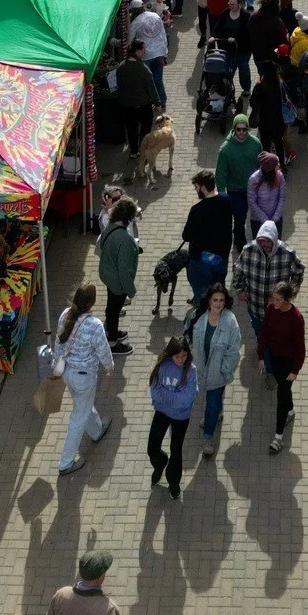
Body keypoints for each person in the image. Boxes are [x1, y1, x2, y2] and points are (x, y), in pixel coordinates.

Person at [55, 285, 115, 476]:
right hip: (84, 376)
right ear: (91, 303)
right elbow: (103, 350)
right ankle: (65, 463)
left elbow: (58, 342)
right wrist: (109, 367)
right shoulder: (95, 325)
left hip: (67, 372)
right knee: (77, 418)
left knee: (83, 405)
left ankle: (96, 430)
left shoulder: (65, 314)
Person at [188, 283, 242, 457]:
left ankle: (208, 438)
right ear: (209, 301)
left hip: (218, 374)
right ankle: (217, 414)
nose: (218, 304)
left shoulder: (230, 321)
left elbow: (234, 351)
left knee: (210, 403)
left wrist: (223, 370)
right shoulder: (199, 317)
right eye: (215, 300)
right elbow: (189, 338)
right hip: (202, 370)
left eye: (222, 300)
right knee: (214, 399)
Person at [146, 336, 198, 500]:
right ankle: (161, 462)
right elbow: (154, 390)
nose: (181, 360)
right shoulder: (162, 366)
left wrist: (166, 396)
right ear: (170, 355)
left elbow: (186, 400)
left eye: (184, 356)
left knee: (176, 450)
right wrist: (174, 397)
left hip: (181, 417)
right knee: (152, 448)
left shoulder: (191, 371)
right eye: (177, 357)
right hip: (161, 412)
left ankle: (173, 482)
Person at [231, 220, 305, 333]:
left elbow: (299, 269)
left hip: (278, 310)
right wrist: (240, 289)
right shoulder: (248, 250)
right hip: (255, 307)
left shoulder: (286, 252)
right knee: (259, 334)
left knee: (276, 338)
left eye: (268, 241)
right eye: (262, 241)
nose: (265, 244)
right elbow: (237, 268)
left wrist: (291, 292)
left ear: (275, 240)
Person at [257, 281, 305, 454]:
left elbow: (300, 347)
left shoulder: (296, 318)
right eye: (273, 298)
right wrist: (261, 356)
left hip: (288, 362)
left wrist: (295, 370)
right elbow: (264, 333)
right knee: (284, 389)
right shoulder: (271, 310)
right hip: (274, 358)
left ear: (287, 299)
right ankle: (290, 410)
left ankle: (278, 437)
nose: (274, 302)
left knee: (281, 396)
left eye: (278, 299)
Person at [97, 196, 141, 354]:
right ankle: (113, 343)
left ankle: (111, 331)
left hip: (107, 274)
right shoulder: (125, 239)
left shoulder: (109, 227)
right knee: (114, 310)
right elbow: (124, 270)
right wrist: (131, 290)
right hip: (117, 281)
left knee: (111, 308)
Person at [182, 170, 233, 307]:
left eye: (197, 187)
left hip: (201, 259)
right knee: (218, 290)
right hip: (221, 257)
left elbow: (186, 236)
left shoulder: (197, 210)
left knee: (201, 292)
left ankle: (202, 315)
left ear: (203, 188)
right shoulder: (226, 200)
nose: (196, 190)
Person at [215, 115, 262, 251]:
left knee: (252, 214)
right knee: (240, 216)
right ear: (234, 129)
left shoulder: (256, 144)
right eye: (238, 129)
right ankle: (239, 241)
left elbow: (260, 166)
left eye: (244, 129)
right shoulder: (225, 149)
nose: (241, 132)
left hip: (252, 188)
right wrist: (221, 194)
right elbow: (220, 174)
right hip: (234, 189)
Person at [114, 40, 158, 162]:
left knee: (131, 129)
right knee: (145, 128)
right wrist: (157, 102)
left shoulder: (121, 67)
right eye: (143, 50)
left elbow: (119, 86)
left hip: (127, 105)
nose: (145, 52)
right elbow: (151, 88)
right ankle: (142, 150)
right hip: (143, 106)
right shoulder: (144, 69)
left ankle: (133, 151)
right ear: (138, 51)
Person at [127, 0, 169, 104]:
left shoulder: (135, 23)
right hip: (160, 52)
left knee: (147, 80)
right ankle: (162, 100)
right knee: (158, 79)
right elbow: (163, 33)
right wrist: (165, 51)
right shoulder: (155, 15)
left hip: (147, 55)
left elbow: (128, 41)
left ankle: (152, 101)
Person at [249, 59, 289, 160]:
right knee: (279, 143)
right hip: (279, 121)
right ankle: (282, 166)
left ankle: (267, 166)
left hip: (264, 122)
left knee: (266, 145)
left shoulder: (259, 86)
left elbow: (252, 102)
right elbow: (287, 98)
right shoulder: (280, 84)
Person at [247, 151, 287, 234]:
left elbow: (282, 197)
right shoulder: (253, 179)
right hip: (258, 222)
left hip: (276, 221)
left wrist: (274, 219)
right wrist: (265, 221)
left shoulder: (280, 176)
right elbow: (252, 202)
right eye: (277, 164)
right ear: (271, 169)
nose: (279, 165)